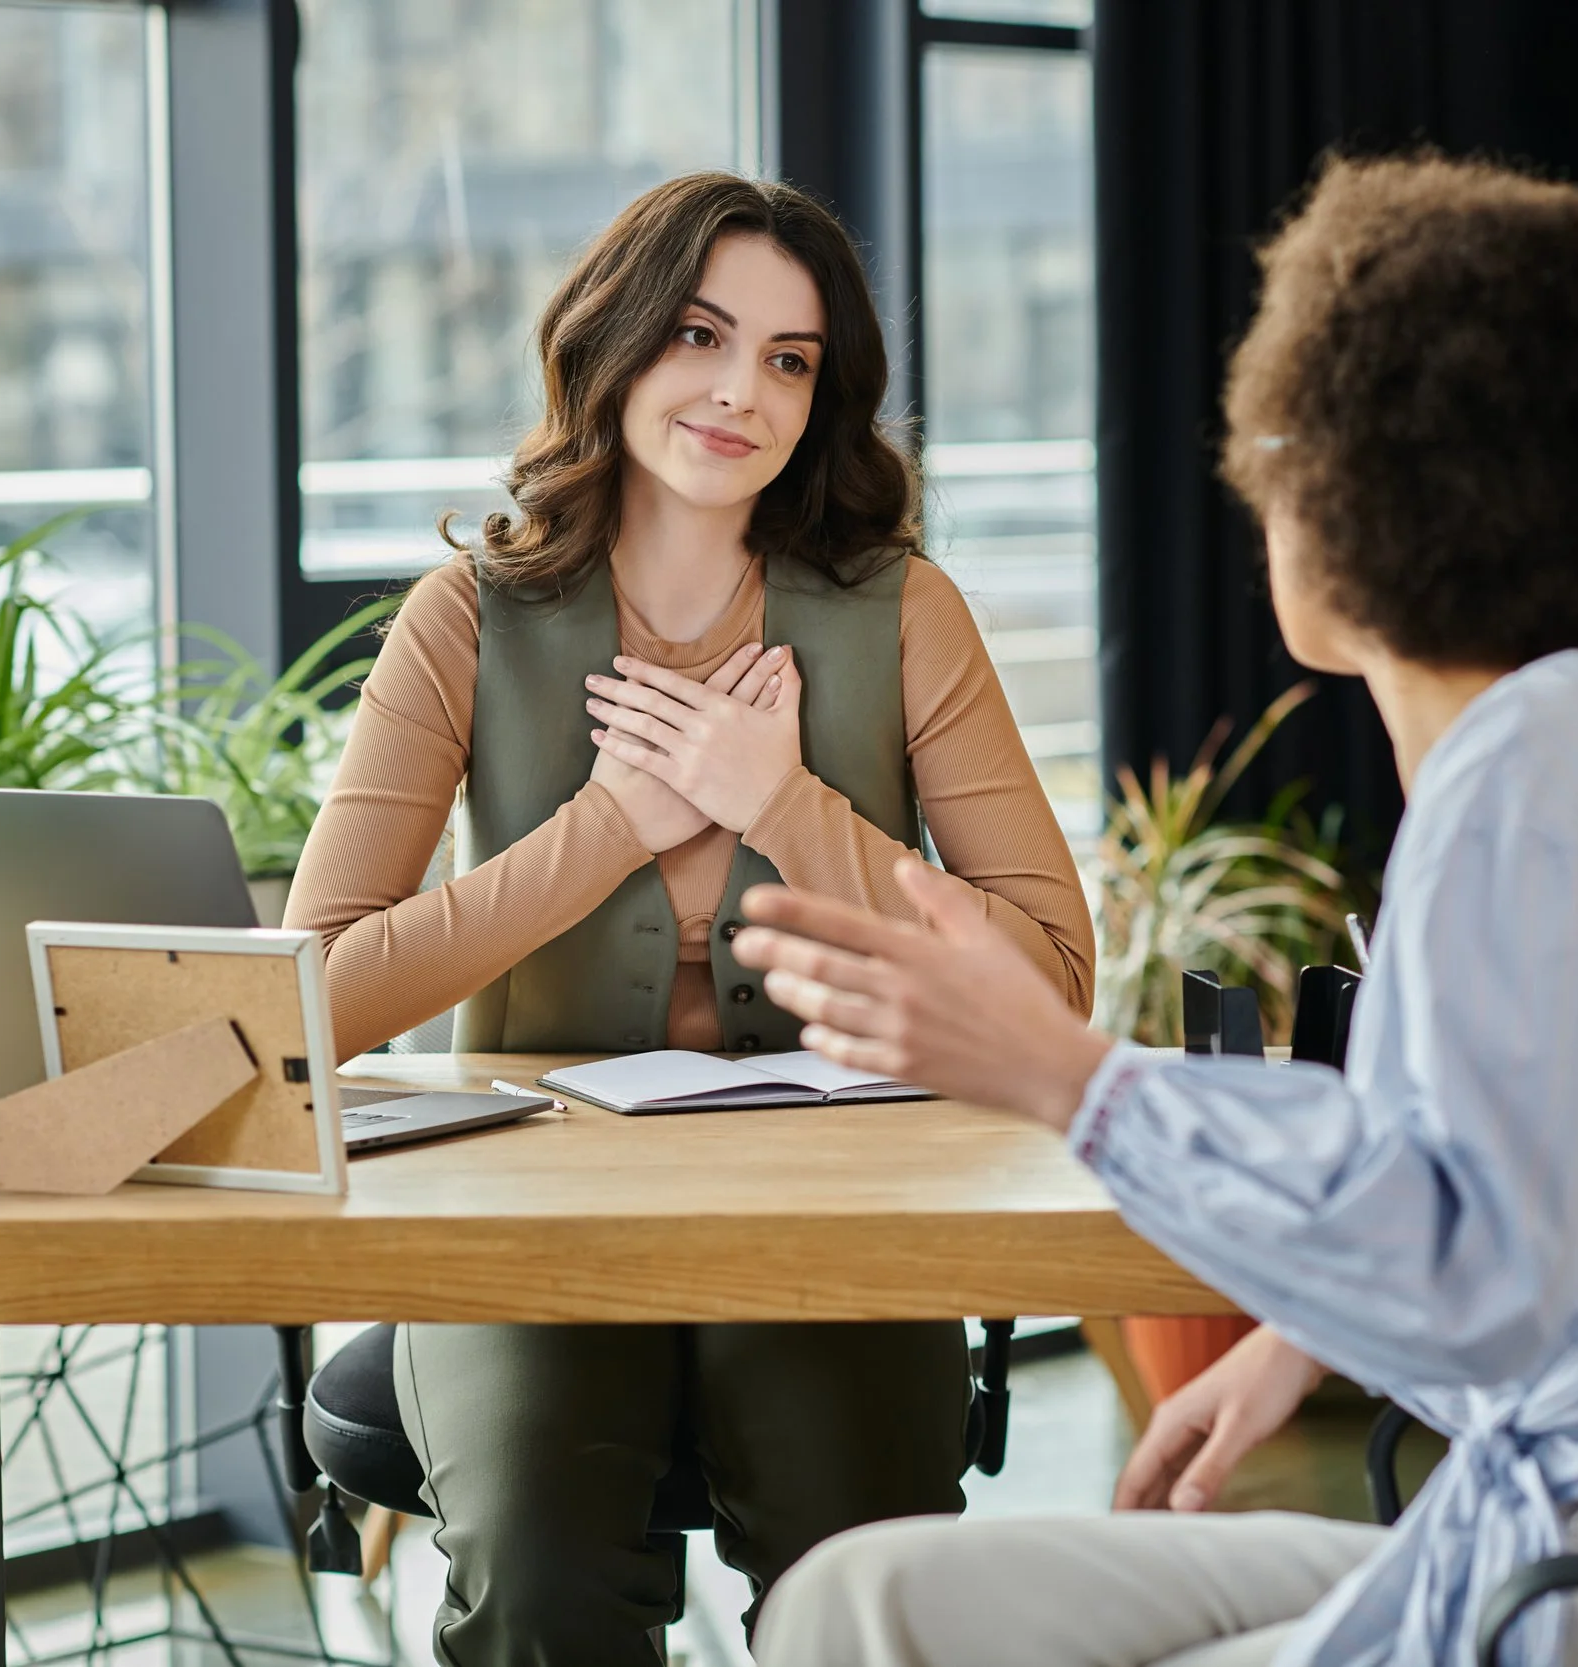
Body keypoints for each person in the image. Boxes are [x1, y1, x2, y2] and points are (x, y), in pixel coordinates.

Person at [729, 156, 1578, 1667]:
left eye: (1277, 446)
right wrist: (1293, 1344)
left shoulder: (1537, 776)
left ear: (1381, 482)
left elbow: (1479, 1277)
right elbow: (1529, 1178)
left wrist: (1063, 1072)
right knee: (864, 1602)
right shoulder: (1556, 739)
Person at [284, 172, 1093, 1663]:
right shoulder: (465, 617)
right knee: (534, 1567)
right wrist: (610, 830)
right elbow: (313, 997)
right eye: (703, 337)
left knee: (867, 1567)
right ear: (617, 343)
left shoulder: (905, 611)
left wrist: (782, 802)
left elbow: (1050, 972)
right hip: (529, 1218)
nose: (742, 391)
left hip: (836, 1206)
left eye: (790, 360)